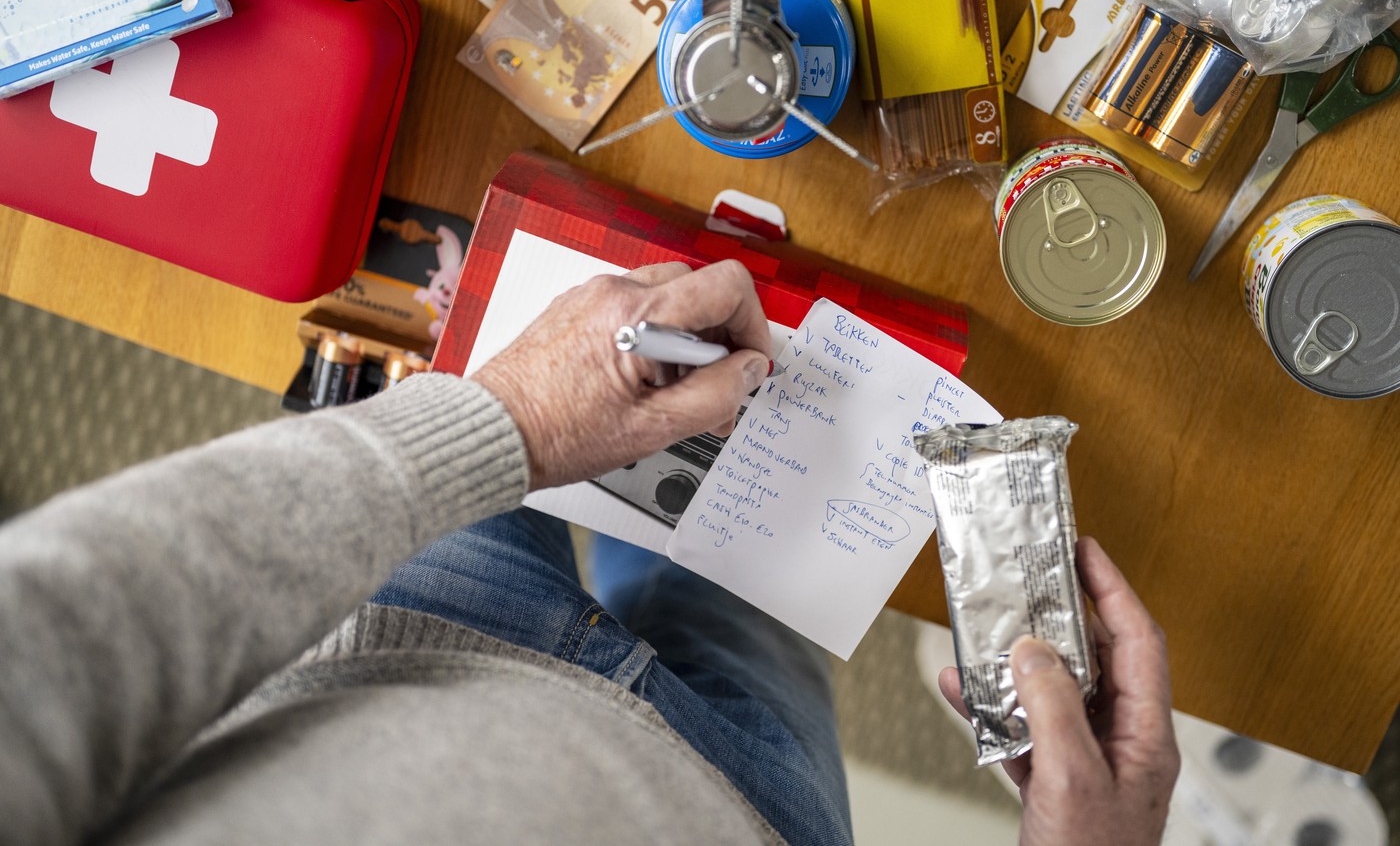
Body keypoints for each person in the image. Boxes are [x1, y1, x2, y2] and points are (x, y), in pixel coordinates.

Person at [0, 259, 1179, 846]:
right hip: (759, 805)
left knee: (441, 287)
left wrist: (500, 419)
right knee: (757, 536)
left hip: (378, 644)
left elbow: (61, 636)